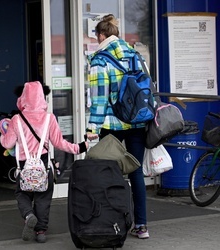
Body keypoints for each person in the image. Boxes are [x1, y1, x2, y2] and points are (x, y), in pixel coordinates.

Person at [0, 81, 89, 243]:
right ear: (42, 97)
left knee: (22, 193)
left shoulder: (16, 120)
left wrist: (2, 135)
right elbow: (60, 143)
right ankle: (41, 231)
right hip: (44, 165)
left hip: (24, 167)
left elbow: (7, 144)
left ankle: (29, 215)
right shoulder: (49, 118)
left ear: (23, 98)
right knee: (43, 197)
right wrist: (80, 147)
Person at [85, 14, 149, 239]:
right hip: (137, 121)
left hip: (111, 125)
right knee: (136, 171)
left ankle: (111, 223)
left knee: (108, 173)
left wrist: (92, 129)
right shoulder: (135, 54)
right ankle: (141, 226)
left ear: (101, 35)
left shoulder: (99, 60)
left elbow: (99, 100)